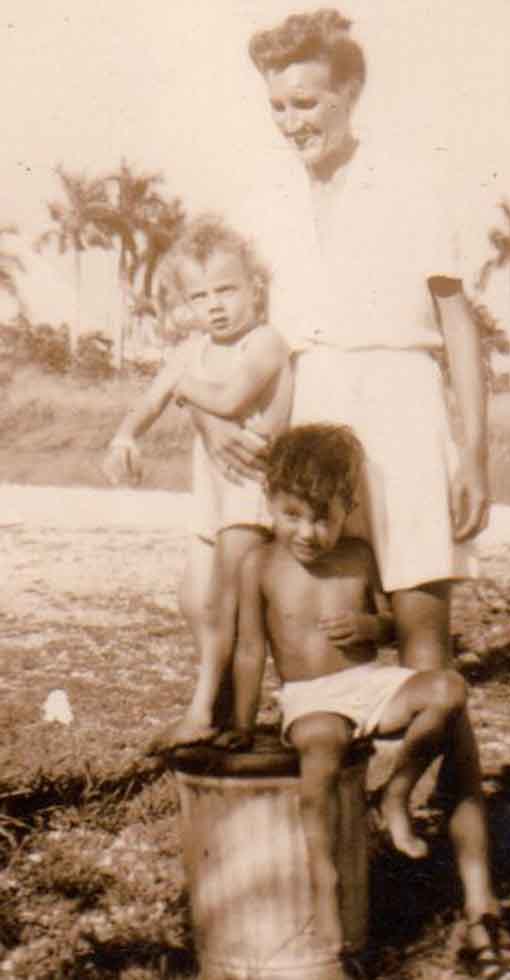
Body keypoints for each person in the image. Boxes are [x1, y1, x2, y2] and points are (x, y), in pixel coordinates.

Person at [193, 10, 510, 976]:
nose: (292, 120)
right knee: (313, 634)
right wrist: (225, 422)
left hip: (407, 415)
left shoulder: (413, 179)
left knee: (433, 660)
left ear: (350, 92)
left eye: (307, 100)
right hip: (315, 424)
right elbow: (259, 346)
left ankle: (478, 907)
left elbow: (454, 321)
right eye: (277, 106)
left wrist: (474, 449)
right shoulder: (271, 201)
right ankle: (332, 912)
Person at [223, 423, 475, 957]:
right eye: (292, 515)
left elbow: (389, 626)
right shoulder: (259, 564)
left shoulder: (359, 555)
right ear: (269, 502)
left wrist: (371, 629)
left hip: (368, 685)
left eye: (323, 518)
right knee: (319, 763)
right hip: (310, 697)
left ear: (347, 508)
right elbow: (249, 651)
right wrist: (243, 725)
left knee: (449, 690)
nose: (308, 532)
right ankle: (324, 891)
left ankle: (397, 792)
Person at [103, 213, 292, 753]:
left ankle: (217, 714)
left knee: (237, 603)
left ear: (255, 288)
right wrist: (125, 437)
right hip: (211, 492)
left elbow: (231, 398)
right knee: (196, 598)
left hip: (250, 488)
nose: (214, 305)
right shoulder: (193, 350)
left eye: (227, 290)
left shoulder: (265, 343)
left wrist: (182, 388)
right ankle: (218, 706)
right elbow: (150, 399)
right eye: (199, 295)